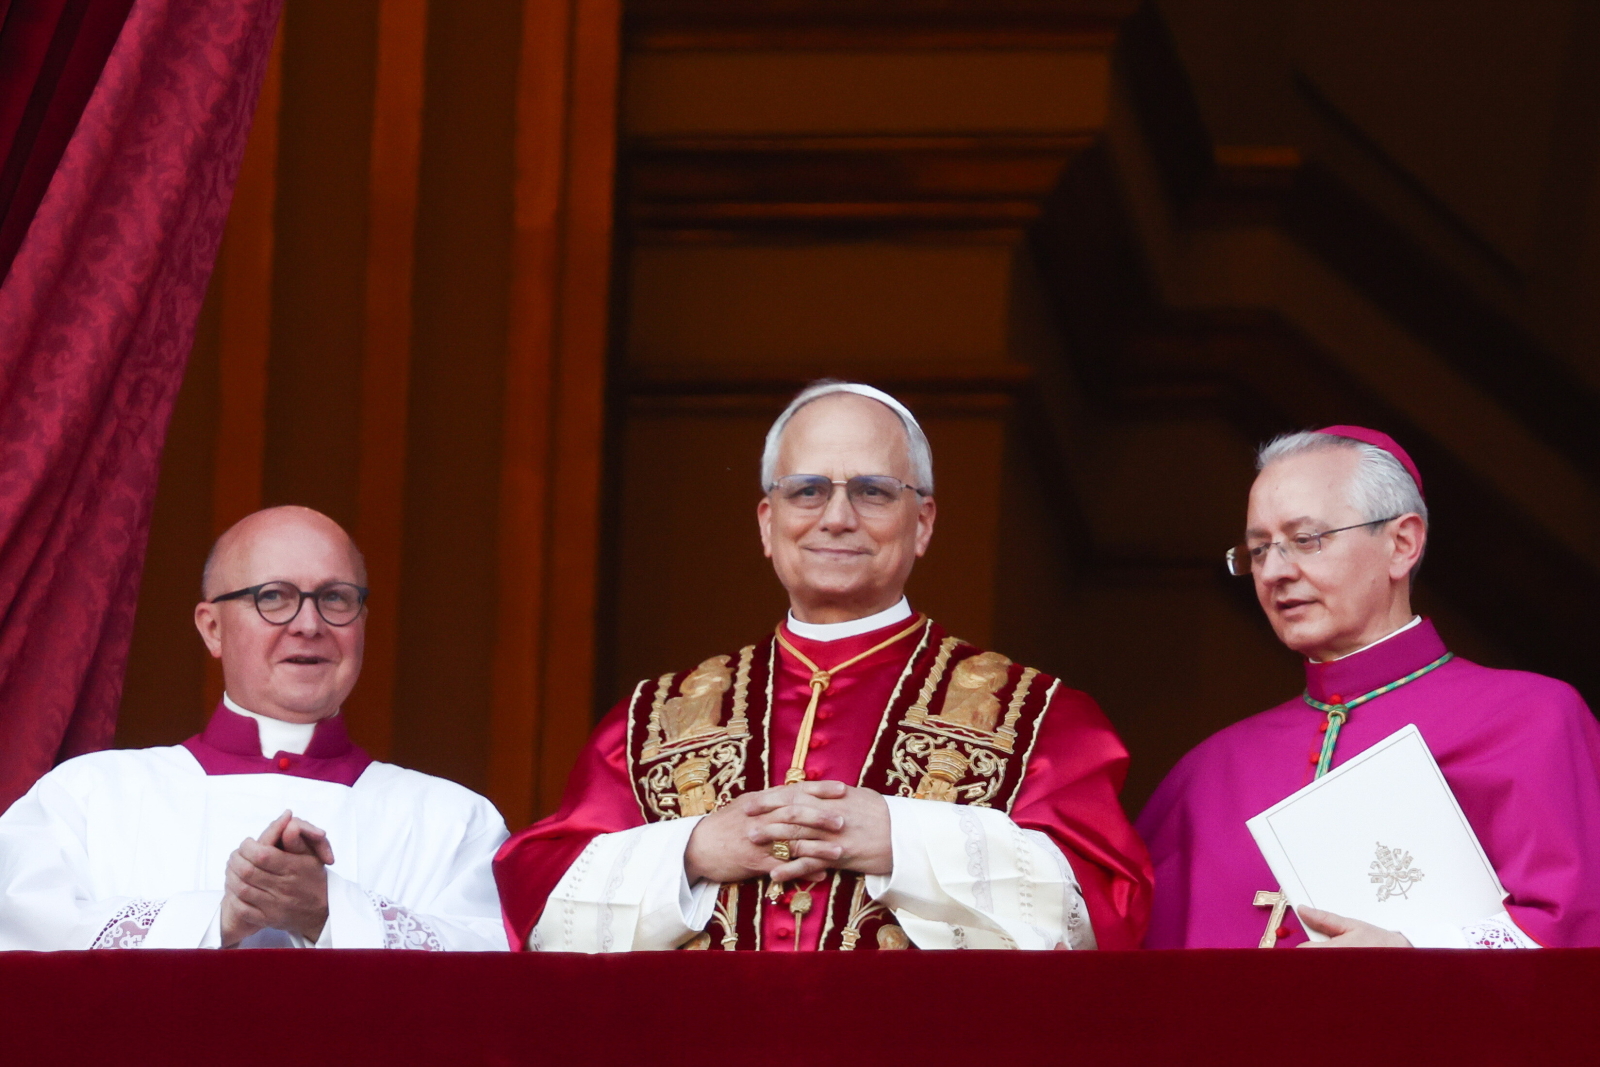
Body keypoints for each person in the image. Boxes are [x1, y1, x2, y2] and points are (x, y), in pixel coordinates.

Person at [494, 381, 1152, 952]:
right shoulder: (653, 721)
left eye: (872, 491)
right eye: (807, 490)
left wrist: (902, 839)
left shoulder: (1038, 715)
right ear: (766, 520)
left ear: (922, 522)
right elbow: (537, 899)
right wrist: (693, 848)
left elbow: (1105, 905)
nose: (837, 517)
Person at [1138, 427, 1600, 949]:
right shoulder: (1207, 775)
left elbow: (1578, 934)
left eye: (1305, 540)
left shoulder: (1531, 718)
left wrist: (1415, 959)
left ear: (1402, 543)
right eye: (1258, 549)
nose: (1274, 572)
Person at [0, 506, 509, 950]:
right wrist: (218, 920)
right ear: (212, 628)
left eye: (335, 598)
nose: (309, 624)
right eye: (273, 596)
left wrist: (330, 912)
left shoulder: (455, 822)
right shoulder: (87, 798)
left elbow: (495, 979)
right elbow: (27, 940)